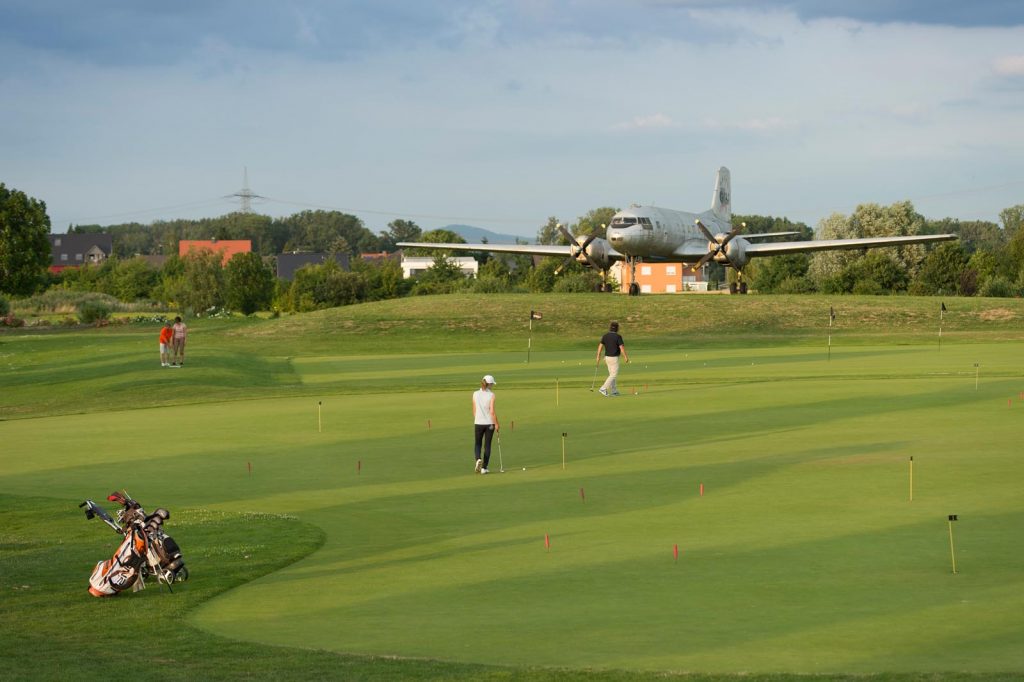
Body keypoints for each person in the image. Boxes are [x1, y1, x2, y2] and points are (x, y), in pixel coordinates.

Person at [472, 375, 500, 474]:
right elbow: (492, 411)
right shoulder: (492, 395)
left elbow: (474, 410)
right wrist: (496, 424)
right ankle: (484, 468)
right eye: (492, 384)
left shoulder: (475, 394)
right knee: (487, 445)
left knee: (478, 443)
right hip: (489, 424)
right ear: (490, 384)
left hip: (478, 422)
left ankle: (478, 459)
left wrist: (478, 419)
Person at [596, 320, 629, 397]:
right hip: (614, 358)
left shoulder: (605, 336)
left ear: (610, 328)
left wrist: (598, 356)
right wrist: (625, 357)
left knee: (611, 374)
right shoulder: (618, 336)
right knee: (613, 375)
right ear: (617, 329)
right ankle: (603, 388)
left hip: (607, 358)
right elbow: (622, 348)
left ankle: (614, 391)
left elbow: (600, 346)